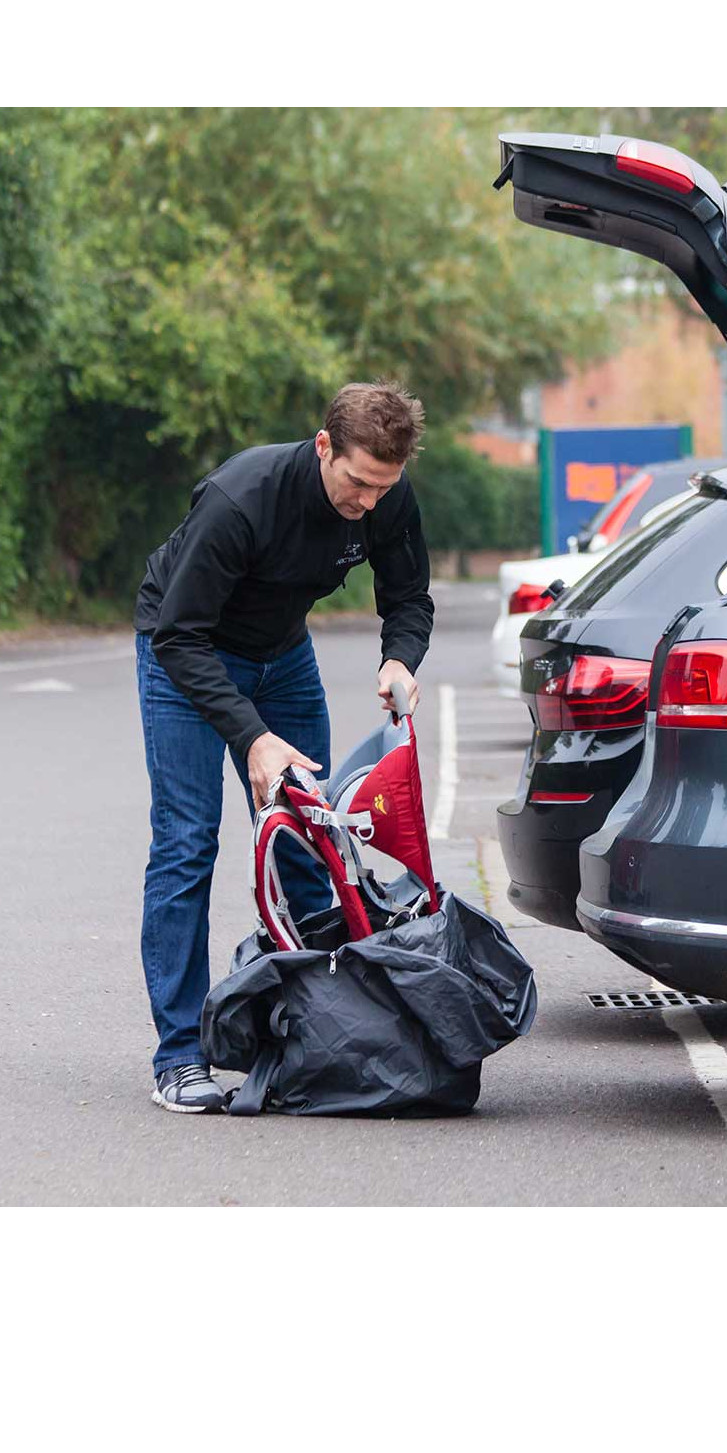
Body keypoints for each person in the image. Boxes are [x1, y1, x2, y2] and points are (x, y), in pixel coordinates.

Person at [133, 381, 433, 1112]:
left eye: (381, 488)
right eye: (356, 482)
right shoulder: (244, 498)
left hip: (283, 656)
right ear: (324, 445)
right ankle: (179, 1056)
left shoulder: (387, 497)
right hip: (189, 657)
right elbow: (179, 634)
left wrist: (400, 657)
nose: (366, 502)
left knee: (308, 837)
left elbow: (409, 596)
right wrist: (254, 738)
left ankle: (315, 1031)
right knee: (186, 842)